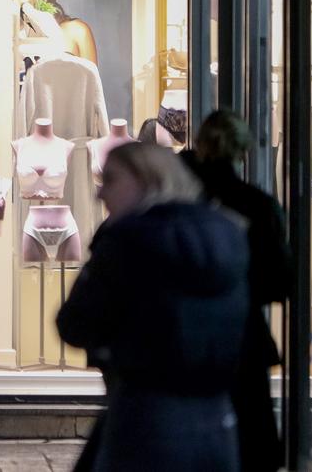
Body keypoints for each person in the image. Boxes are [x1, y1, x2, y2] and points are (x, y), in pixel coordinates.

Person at [56, 142, 248, 472]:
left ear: (146, 179)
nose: (100, 193)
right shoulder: (227, 233)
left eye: (111, 179)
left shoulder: (126, 240)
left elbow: (74, 323)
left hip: (145, 415)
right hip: (217, 417)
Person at [184, 111, 291, 472]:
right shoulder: (258, 205)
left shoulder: (182, 206)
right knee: (251, 436)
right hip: (242, 333)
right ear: (242, 150)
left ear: (201, 145)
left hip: (187, 337)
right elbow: (280, 280)